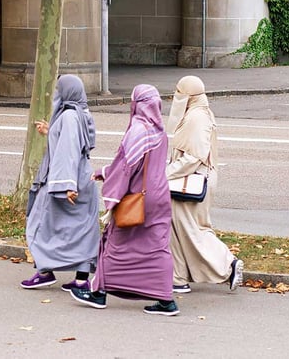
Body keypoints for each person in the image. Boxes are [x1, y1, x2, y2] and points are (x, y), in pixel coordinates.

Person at [71, 84, 180, 316]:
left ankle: (98, 292)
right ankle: (166, 300)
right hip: (159, 196)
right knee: (157, 247)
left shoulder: (138, 130)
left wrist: (109, 188)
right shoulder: (159, 131)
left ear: (136, 104)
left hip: (137, 199)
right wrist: (105, 170)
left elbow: (125, 168)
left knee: (115, 243)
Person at [19, 75, 101, 293]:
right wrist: (50, 131)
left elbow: (68, 151)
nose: (56, 92)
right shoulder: (82, 112)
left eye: (58, 88)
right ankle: (82, 280)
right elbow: (75, 141)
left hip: (66, 180)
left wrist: (66, 186)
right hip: (84, 179)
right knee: (81, 231)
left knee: (40, 223)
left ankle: (44, 272)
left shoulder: (69, 117)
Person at [166, 75, 244, 293]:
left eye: (179, 92)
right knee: (177, 229)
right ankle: (178, 278)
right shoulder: (199, 112)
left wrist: (164, 174)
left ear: (188, 95)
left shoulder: (196, 118)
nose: (176, 96)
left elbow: (194, 156)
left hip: (191, 182)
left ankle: (228, 264)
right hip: (191, 180)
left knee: (192, 230)